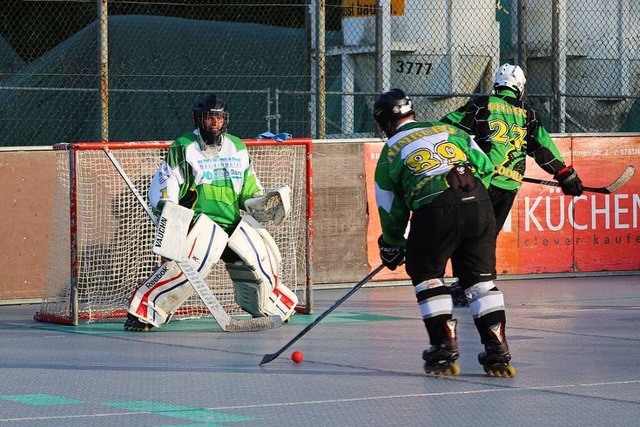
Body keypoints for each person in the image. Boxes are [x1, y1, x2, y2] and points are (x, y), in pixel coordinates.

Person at [124, 94, 298, 331]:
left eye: (219, 118)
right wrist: (172, 220)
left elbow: (248, 192)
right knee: (185, 271)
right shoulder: (184, 146)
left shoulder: (237, 147)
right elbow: (166, 187)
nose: (215, 123)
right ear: (199, 120)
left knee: (262, 261)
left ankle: (272, 307)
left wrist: (264, 202)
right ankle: (144, 312)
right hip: (200, 224)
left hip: (233, 222)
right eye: (209, 118)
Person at [373, 88, 516, 377]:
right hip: (478, 203)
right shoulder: (450, 129)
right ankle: (497, 351)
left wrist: (392, 244)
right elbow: (486, 167)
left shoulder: (390, 151)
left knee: (427, 276)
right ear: (411, 113)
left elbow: (391, 208)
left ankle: (444, 347)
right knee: (480, 283)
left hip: (434, 209)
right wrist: (471, 200)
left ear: (384, 122)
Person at [441, 63, 584, 306]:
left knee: (467, 230)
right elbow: (542, 148)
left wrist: (464, 157)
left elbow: (448, 127)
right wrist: (564, 175)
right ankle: (472, 283)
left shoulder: (482, 104)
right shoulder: (528, 113)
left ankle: (466, 283)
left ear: (497, 84)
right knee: (487, 235)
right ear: (519, 87)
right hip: (509, 185)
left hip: (483, 181)